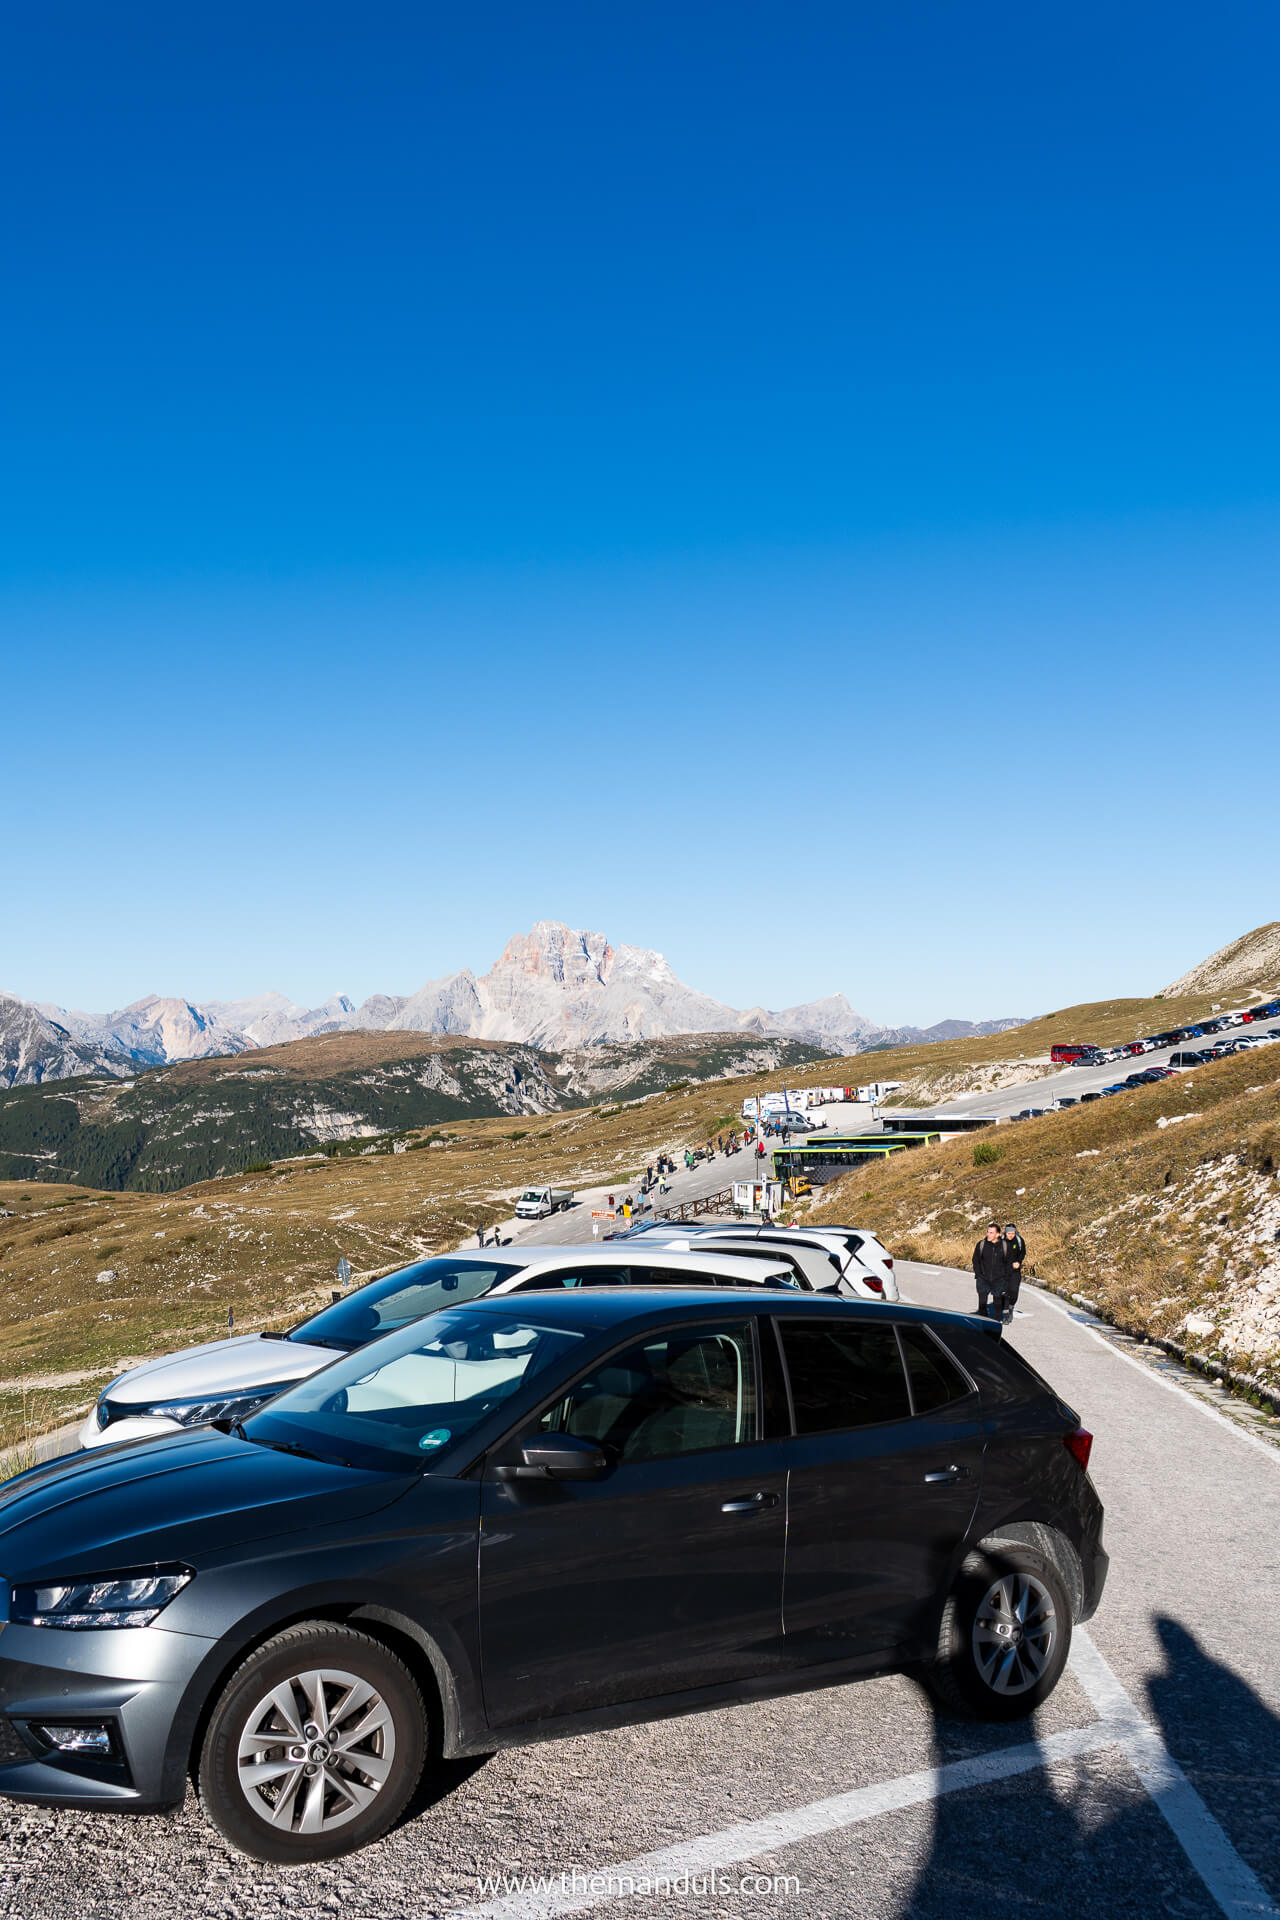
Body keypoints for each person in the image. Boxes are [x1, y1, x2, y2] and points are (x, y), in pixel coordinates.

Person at [972, 1222, 1008, 1319]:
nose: (988, 1234)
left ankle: (996, 1323)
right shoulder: (981, 1244)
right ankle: (984, 1322)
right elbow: (975, 1260)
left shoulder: (1004, 1246)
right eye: (988, 1232)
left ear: (997, 1234)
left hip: (999, 1279)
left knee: (997, 1303)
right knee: (982, 1303)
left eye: (991, 1233)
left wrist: (1005, 1277)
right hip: (983, 1278)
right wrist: (979, 1274)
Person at [1003, 1222, 1027, 1314]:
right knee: (1004, 1291)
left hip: (1015, 1271)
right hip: (1003, 1271)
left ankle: (1011, 1305)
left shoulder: (1019, 1241)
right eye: (1009, 1234)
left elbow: (1022, 1252)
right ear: (1005, 1233)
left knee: (1014, 1292)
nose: (1010, 1235)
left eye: (1012, 1233)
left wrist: (1018, 1262)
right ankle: (1005, 1312)